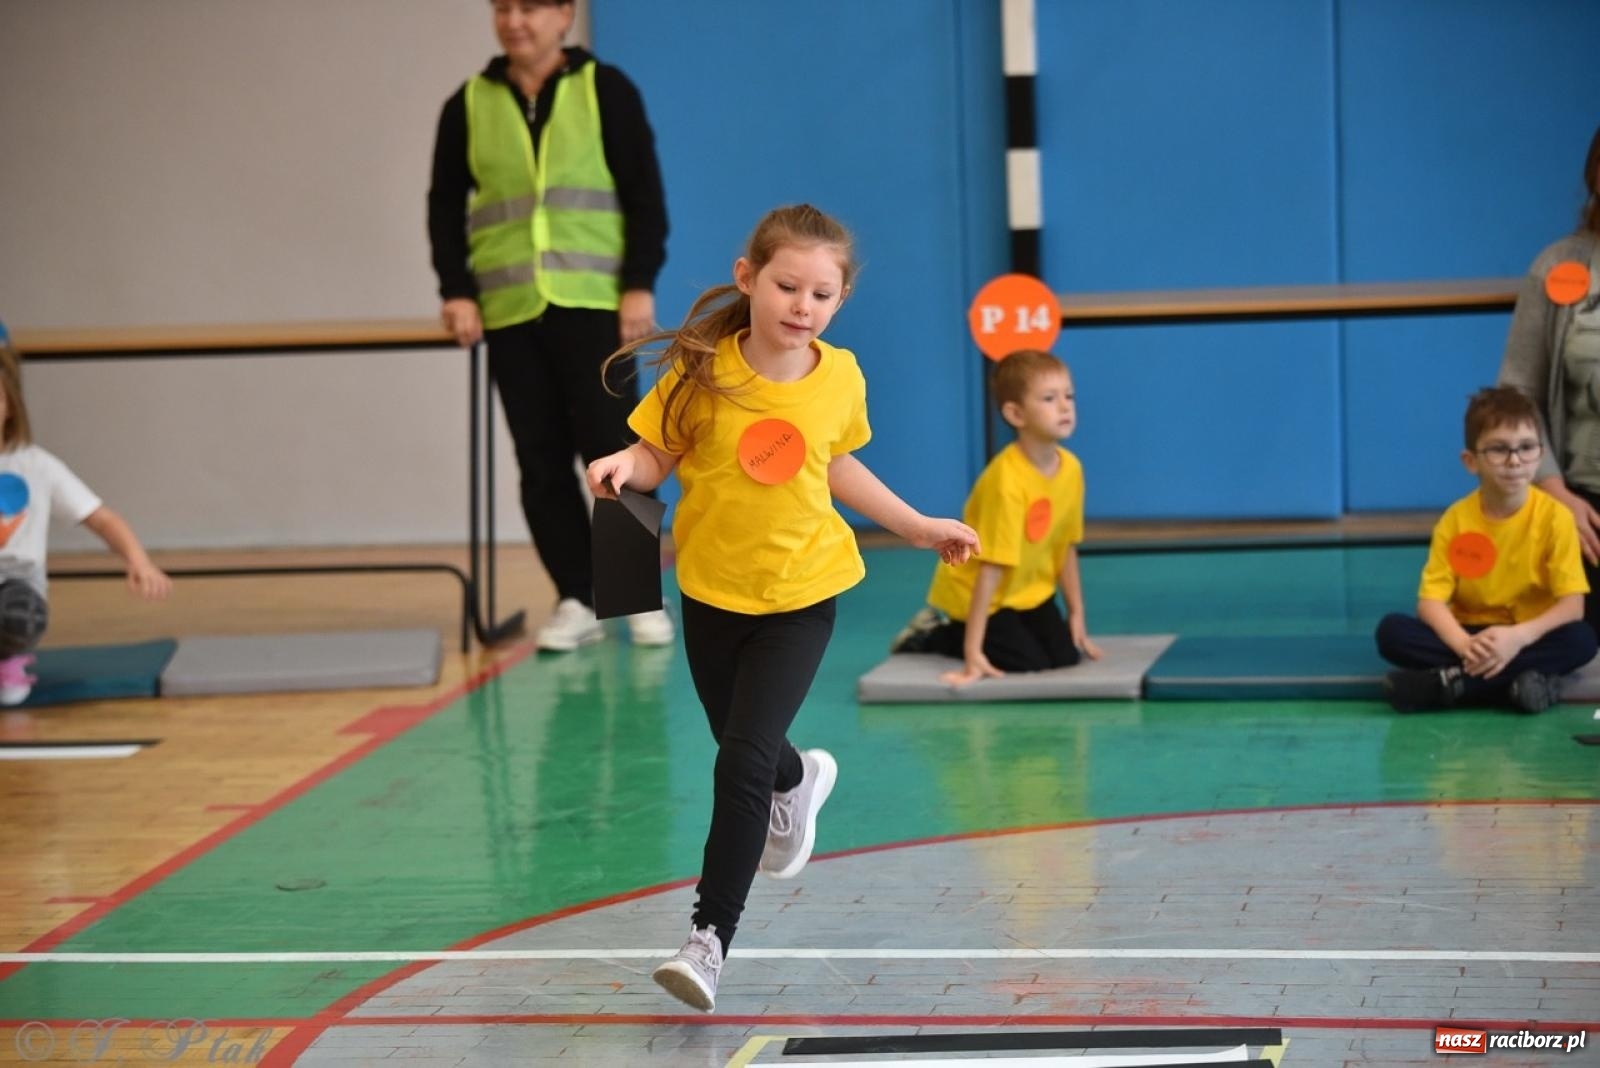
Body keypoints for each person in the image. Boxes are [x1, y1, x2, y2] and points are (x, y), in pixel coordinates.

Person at [585, 204, 979, 1012]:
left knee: (738, 763)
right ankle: (798, 780)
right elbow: (660, 452)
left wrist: (918, 525)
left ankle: (707, 941)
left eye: (822, 294)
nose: (803, 305)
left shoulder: (841, 376)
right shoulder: (700, 369)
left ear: (839, 302)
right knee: (747, 749)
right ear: (747, 278)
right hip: (711, 593)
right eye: (787, 285)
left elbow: (841, 466)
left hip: (803, 596)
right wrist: (627, 462)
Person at [427, 0, 673, 651]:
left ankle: (634, 595)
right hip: (510, 311)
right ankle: (578, 596)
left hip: (595, 301)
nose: (515, 20)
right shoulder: (468, 105)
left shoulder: (605, 90)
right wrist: (456, 290)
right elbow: (444, 205)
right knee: (539, 461)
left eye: (531, 7)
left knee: (616, 448)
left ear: (564, 14)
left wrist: (638, 283)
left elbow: (644, 194)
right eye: (503, 7)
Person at [1374, 386, 1597, 713]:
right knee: (1392, 632)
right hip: (1471, 635)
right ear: (1471, 461)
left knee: (1581, 639)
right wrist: (1465, 645)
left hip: (1527, 637)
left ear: (1540, 454)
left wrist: (1517, 638)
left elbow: (1573, 606)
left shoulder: (1556, 518)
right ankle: (1522, 684)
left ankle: (1451, 685)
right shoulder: (1455, 520)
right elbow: (1431, 602)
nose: (1514, 461)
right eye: (1498, 450)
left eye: (1526, 448)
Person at [888, 348, 1102, 683]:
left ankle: (979, 634)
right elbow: (989, 569)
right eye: (1049, 398)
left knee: (1064, 656)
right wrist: (973, 653)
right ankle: (935, 633)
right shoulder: (1007, 481)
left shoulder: (1071, 470)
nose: (1065, 406)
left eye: (1069, 396)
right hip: (982, 597)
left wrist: (1077, 614)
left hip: (1027, 591)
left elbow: (1066, 547)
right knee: (1025, 661)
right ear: (1016, 414)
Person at [0, 333, 172, 705]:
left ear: (10, 405)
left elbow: (102, 518)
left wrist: (138, 560)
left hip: (14, 586)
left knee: (18, 613)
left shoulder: (36, 466)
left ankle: (8, 659)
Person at [1496, 122, 1600, 638]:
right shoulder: (1558, 264)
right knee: (1574, 633)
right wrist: (1558, 494)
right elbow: (1518, 395)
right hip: (1581, 500)